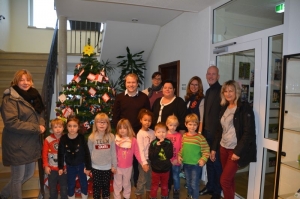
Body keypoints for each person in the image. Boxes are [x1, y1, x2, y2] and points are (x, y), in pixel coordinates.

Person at [0, 69, 46, 199]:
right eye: (22, 80)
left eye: (28, 80)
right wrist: (37, 128)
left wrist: (41, 124)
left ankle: (3, 194)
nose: (25, 82)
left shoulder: (33, 96)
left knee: (29, 174)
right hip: (17, 144)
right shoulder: (10, 99)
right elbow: (11, 122)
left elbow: (40, 114)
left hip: (31, 144)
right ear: (16, 81)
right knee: (17, 178)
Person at [210, 80, 256, 199]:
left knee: (224, 180)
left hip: (234, 150)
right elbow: (219, 131)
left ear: (237, 91)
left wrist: (237, 151)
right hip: (223, 148)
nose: (228, 93)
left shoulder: (244, 108)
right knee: (229, 180)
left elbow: (248, 133)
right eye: (225, 91)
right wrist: (214, 149)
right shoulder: (224, 107)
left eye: (231, 90)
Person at [112, 73, 150, 186]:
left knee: (138, 157)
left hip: (139, 133)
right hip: (123, 133)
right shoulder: (119, 97)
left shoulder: (144, 97)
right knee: (123, 158)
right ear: (125, 83)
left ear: (137, 83)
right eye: (128, 82)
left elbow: (148, 115)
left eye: (133, 82)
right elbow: (115, 116)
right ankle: (124, 182)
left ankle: (137, 181)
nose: (131, 84)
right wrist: (119, 132)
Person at [200, 65, 223, 199]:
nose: (211, 76)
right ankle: (210, 186)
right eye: (209, 74)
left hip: (216, 135)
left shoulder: (221, 91)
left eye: (214, 74)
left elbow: (221, 118)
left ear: (218, 76)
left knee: (217, 164)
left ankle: (217, 192)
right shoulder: (208, 92)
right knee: (209, 162)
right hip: (207, 133)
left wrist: (216, 136)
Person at [58, 117, 92, 199]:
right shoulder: (63, 138)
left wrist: (88, 167)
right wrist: (61, 167)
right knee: (71, 184)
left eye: (74, 126)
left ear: (78, 127)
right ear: (66, 127)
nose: (72, 128)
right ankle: (71, 197)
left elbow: (87, 153)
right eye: (70, 126)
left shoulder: (81, 137)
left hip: (81, 165)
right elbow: (60, 154)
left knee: (83, 183)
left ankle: (84, 196)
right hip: (70, 166)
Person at [178, 113, 210, 199]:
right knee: (188, 182)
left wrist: (203, 159)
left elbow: (206, 150)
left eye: (195, 125)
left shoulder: (200, 138)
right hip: (186, 163)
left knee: (194, 184)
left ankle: (194, 197)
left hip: (196, 165)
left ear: (197, 125)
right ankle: (190, 195)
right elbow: (182, 148)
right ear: (186, 124)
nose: (192, 127)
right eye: (190, 124)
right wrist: (179, 156)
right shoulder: (184, 136)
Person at [88, 113, 117, 199]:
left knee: (106, 186)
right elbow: (88, 153)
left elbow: (113, 152)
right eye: (99, 122)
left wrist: (114, 165)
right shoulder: (91, 137)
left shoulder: (111, 137)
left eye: (104, 122)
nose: (101, 124)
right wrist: (88, 166)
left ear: (108, 124)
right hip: (95, 166)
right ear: (95, 124)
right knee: (96, 187)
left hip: (107, 167)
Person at [113, 119, 142, 199]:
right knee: (117, 184)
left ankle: (126, 196)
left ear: (128, 128)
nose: (122, 130)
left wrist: (142, 163)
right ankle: (117, 197)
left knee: (126, 183)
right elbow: (113, 154)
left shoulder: (133, 140)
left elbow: (137, 152)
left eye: (124, 128)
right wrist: (113, 165)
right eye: (120, 128)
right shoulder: (116, 140)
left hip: (128, 167)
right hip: (117, 166)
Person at [42, 118, 68, 199]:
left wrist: (67, 167)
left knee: (64, 187)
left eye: (60, 127)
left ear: (63, 128)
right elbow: (44, 154)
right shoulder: (48, 139)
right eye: (55, 127)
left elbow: (69, 154)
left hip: (63, 168)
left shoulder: (66, 139)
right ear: (52, 129)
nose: (58, 129)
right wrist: (46, 166)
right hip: (51, 169)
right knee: (52, 188)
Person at [149, 122, 173, 199]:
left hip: (166, 169)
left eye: (163, 132)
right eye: (159, 132)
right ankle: (153, 197)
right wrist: (157, 147)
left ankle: (164, 196)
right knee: (154, 186)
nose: (161, 134)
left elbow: (170, 155)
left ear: (166, 133)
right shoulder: (153, 143)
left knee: (165, 186)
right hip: (155, 169)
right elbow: (151, 157)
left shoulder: (168, 143)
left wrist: (163, 145)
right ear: (155, 133)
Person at [135, 109, 156, 199]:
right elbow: (140, 150)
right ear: (140, 120)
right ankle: (138, 193)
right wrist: (144, 163)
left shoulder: (152, 132)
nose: (147, 122)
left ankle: (149, 192)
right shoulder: (140, 134)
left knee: (150, 178)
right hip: (144, 160)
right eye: (145, 120)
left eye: (149, 120)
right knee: (142, 179)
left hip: (152, 159)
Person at [166, 115, 182, 199]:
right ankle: (167, 190)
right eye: (171, 125)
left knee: (176, 177)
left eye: (175, 125)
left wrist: (177, 158)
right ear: (167, 124)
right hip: (167, 161)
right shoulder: (164, 135)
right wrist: (167, 160)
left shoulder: (179, 135)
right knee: (167, 177)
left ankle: (176, 190)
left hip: (176, 161)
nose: (172, 127)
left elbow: (181, 148)